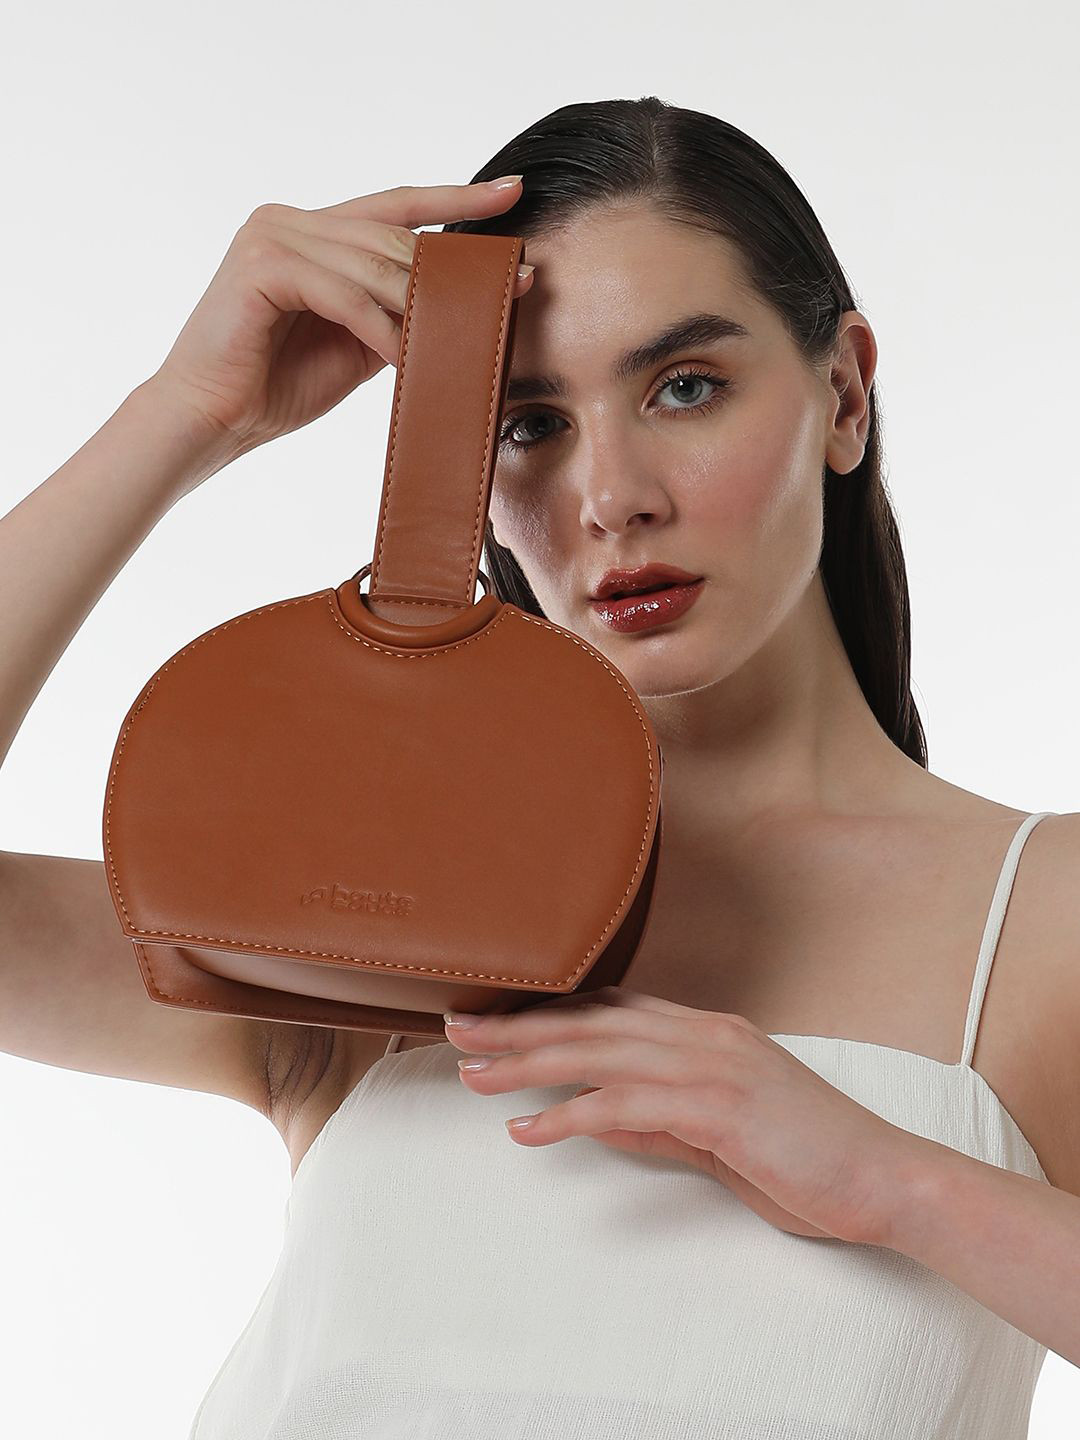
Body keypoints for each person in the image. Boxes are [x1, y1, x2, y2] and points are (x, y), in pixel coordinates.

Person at [2, 96, 1078, 1439]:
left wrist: (895, 1184)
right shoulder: (375, 905)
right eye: (529, 423)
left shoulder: (1039, 922)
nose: (612, 497)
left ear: (844, 394)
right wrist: (186, 414)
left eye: (686, 387)